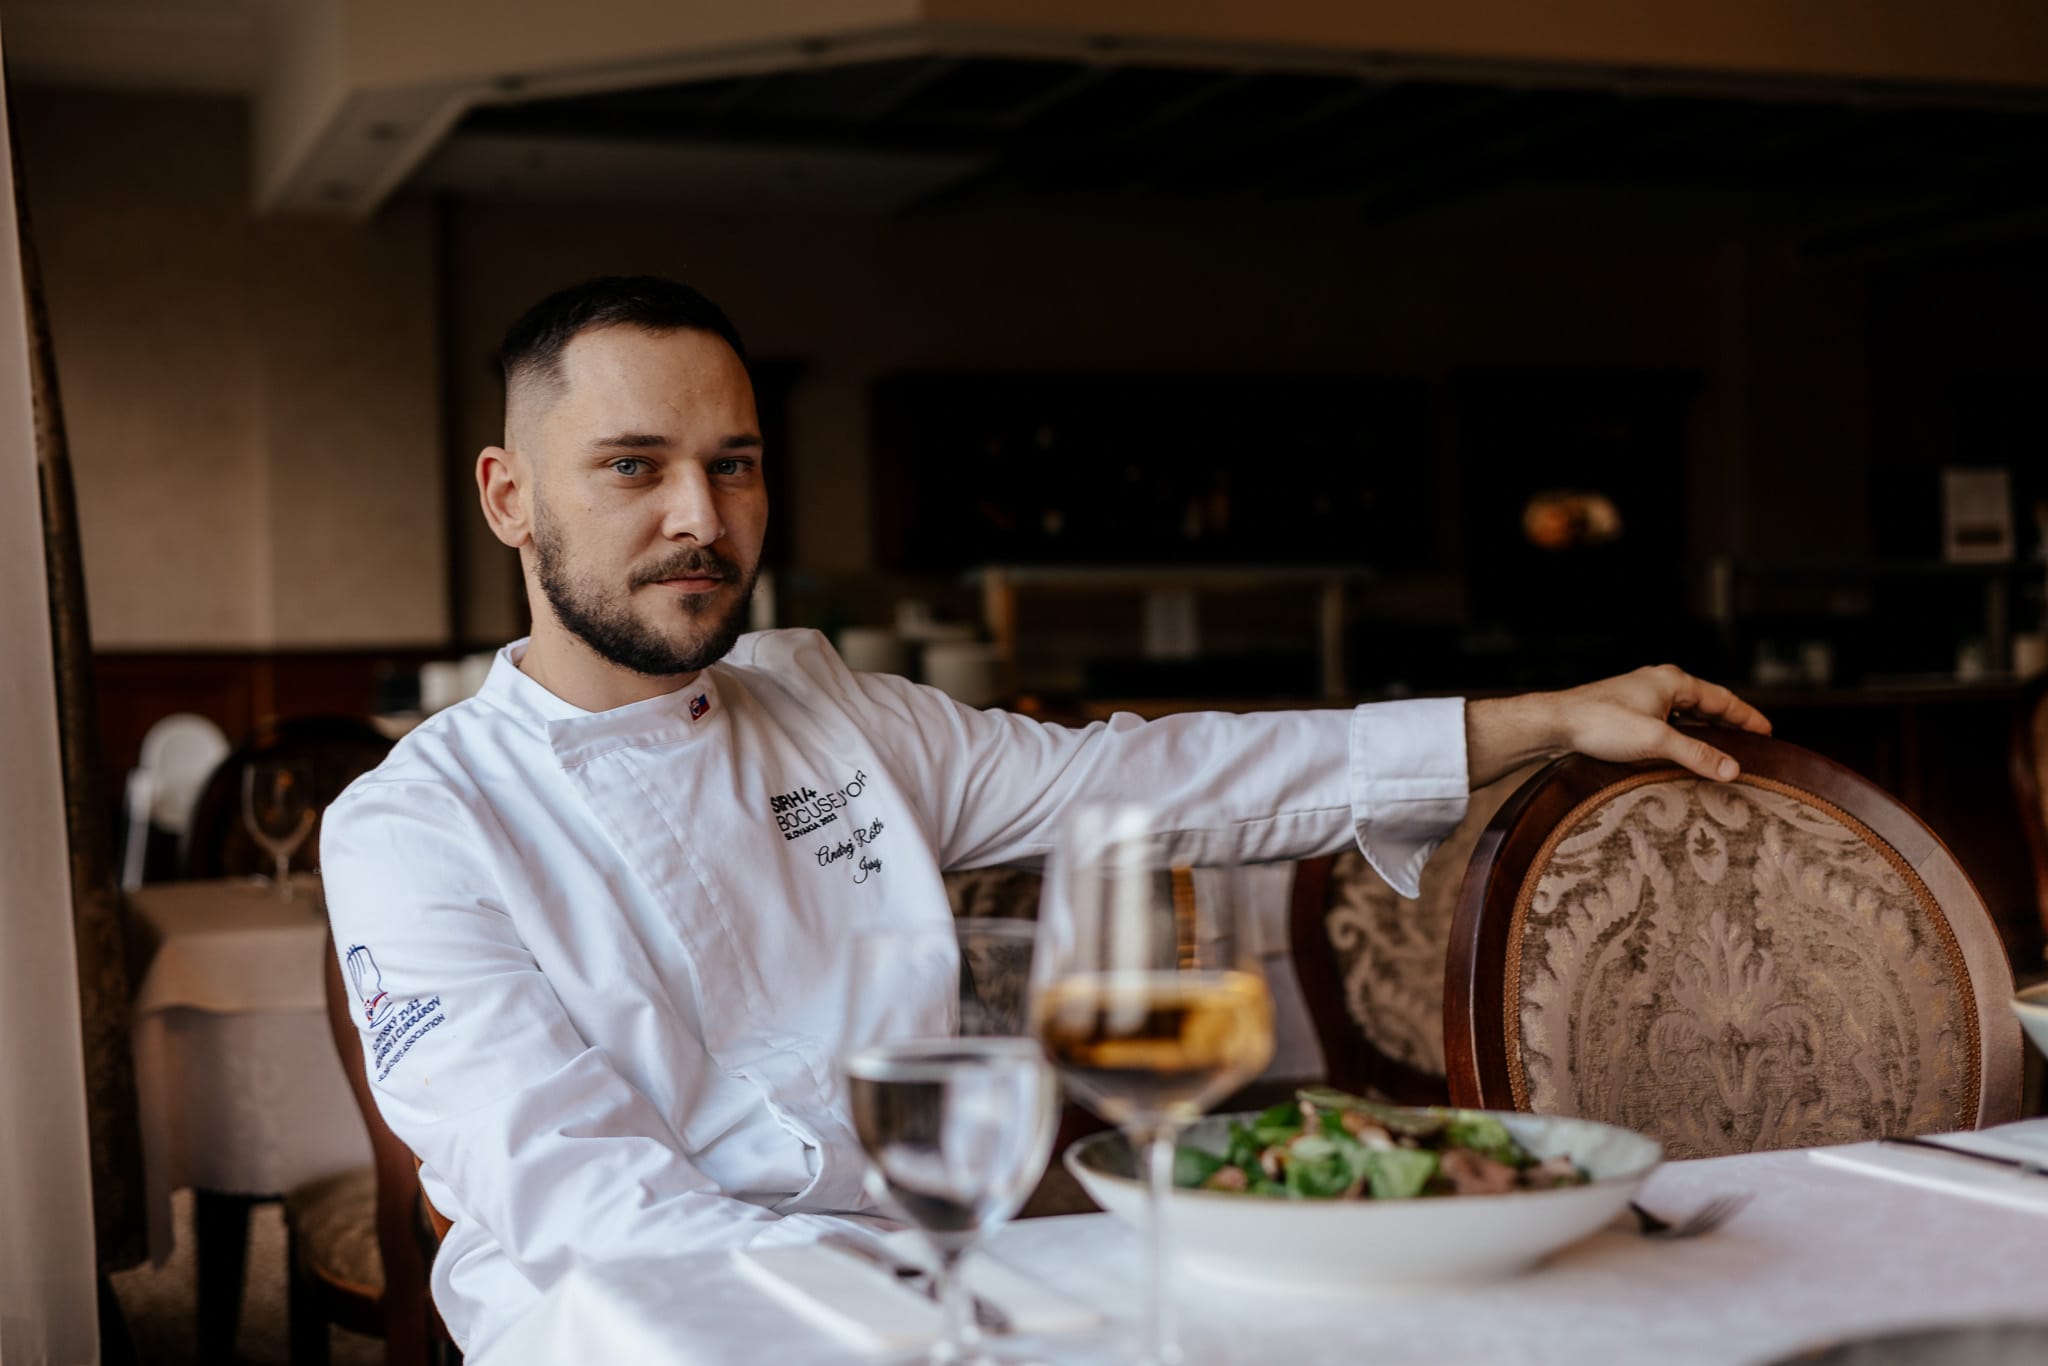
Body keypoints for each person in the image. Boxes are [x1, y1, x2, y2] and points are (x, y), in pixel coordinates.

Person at [320, 275, 1771, 1352]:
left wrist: (1537, 720)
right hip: (650, 1332)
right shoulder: (416, 827)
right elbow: (595, 1213)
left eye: (736, 463)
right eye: (634, 466)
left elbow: (1158, 782)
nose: (701, 518)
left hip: (952, 1281)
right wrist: (972, 1318)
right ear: (512, 498)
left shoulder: (831, 706)